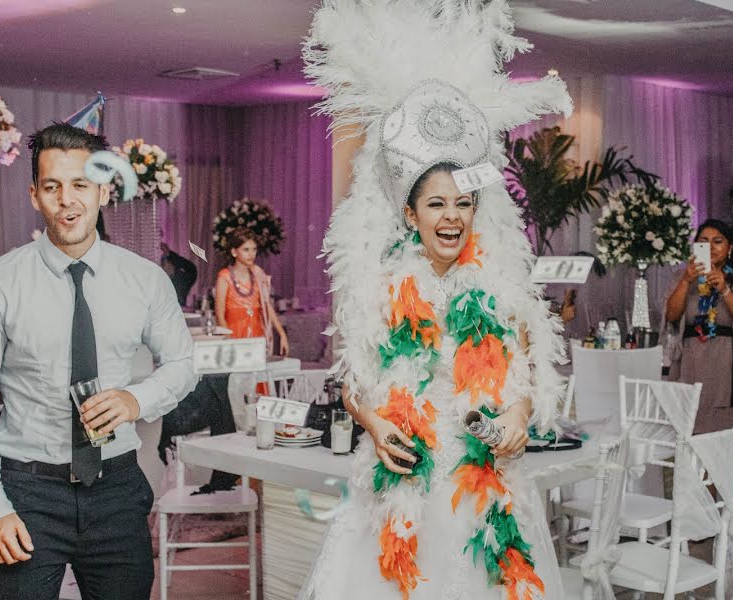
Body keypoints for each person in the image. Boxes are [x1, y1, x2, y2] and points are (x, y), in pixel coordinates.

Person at [300, 1, 573, 597]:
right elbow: (354, 378)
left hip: (485, 482)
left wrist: (520, 421)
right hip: (405, 480)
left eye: (462, 204)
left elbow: (527, 374)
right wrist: (372, 421)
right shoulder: (381, 284)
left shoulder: (501, 283)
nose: (452, 218)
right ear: (411, 213)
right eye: (436, 204)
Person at [0, 123, 196, 600]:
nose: (68, 199)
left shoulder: (145, 280)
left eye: (80, 184)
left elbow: (183, 365)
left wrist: (134, 399)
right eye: (53, 186)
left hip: (117, 488)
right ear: (34, 195)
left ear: (102, 190)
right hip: (27, 489)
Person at [663, 219, 733, 436]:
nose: (710, 247)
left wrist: (725, 290)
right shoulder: (681, 278)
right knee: (692, 430)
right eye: (703, 241)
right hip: (692, 363)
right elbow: (671, 315)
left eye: (718, 241)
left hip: (729, 367)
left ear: (730, 249)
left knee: (731, 437)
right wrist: (686, 281)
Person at [215, 230, 288, 356]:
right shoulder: (225, 277)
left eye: (254, 249)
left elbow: (267, 306)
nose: (251, 254)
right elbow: (219, 315)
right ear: (234, 252)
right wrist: (229, 343)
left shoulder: (258, 274)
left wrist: (282, 334)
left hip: (256, 334)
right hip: (234, 334)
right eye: (246, 249)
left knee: (258, 374)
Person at [161, 241, 198, 307]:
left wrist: (170, 254)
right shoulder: (160, 281)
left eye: (168, 264)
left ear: (174, 265)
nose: (166, 268)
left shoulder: (182, 279)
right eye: (163, 265)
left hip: (179, 311)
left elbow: (192, 270)